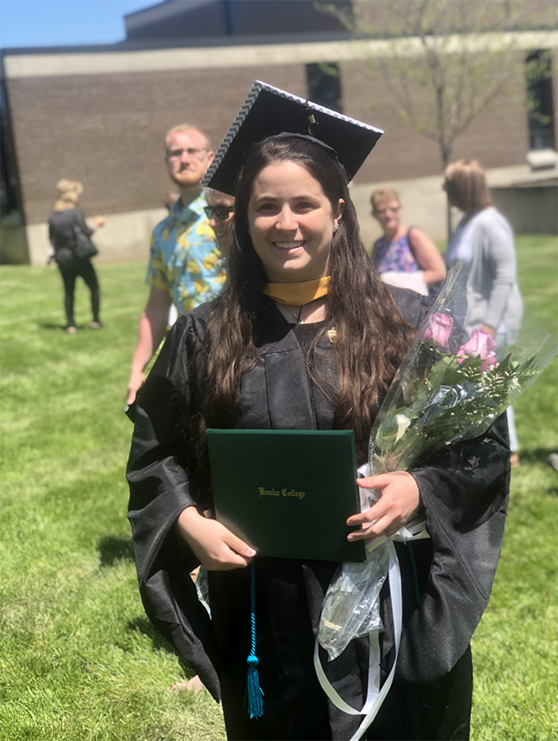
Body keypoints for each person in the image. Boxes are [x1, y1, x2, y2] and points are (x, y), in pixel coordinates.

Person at [127, 83, 509, 740]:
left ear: (337, 211)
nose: (286, 222)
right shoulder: (205, 335)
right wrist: (187, 521)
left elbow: (480, 445)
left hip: (389, 598)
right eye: (266, 206)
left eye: (304, 204)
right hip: (261, 603)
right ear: (242, 218)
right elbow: (156, 451)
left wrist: (419, 488)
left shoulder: (406, 321)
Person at [126, 125, 225, 405]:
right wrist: (137, 368)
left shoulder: (228, 215)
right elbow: (157, 305)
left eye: (192, 151)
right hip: (192, 357)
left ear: (210, 157)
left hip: (241, 349)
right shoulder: (163, 232)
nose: (184, 159)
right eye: (175, 153)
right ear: (166, 161)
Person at [444, 159, 523, 467]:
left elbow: (505, 275)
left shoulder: (490, 223)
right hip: (470, 320)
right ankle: (485, 444)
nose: (444, 191)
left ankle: (509, 448)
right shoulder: (466, 222)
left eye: (449, 186)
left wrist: (489, 326)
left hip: (492, 321)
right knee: (477, 384)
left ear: (463, 188)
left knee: (494, 383)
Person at [48, 179, 104, 333]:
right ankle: (95, 321)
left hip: (63, 260)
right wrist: (96, 225)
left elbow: (52, 239)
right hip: (80, 258)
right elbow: (85, 233)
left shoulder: (53, 216)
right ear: (72, 195)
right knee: (94, 287)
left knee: (69, 292)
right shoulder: (75, 213)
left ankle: (71, 324)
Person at [370, 187, 446, 296]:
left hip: (419, 307)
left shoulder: (413, 235)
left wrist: (399, 282)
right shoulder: (378, 246)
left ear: (400, 208)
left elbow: (439, 273)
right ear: (374, 214)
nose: (388, 214)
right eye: (382, 211)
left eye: (393, 209)